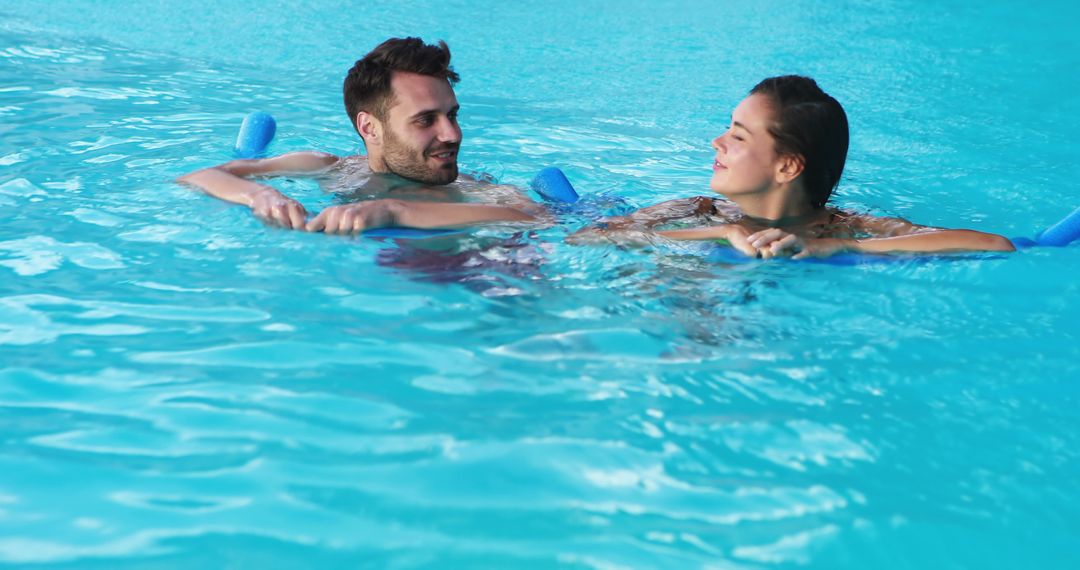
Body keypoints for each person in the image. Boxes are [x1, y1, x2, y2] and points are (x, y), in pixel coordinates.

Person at [569, 75, 1015, 259]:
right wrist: (723, 233)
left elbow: (994, 244)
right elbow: (585, 237)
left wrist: (844, 248)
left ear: (787, 167)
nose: (716, 142)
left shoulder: (847, 229)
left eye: (738, 136)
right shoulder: (697, 210)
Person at [178, 37, 541, 234]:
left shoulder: (477, 191)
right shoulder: (332, 168)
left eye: (452, 115)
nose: (451, 134)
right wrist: (260, 195)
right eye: (425, 120)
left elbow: (537, 219)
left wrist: (395, 210)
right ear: (369, 127)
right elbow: (198, 176)